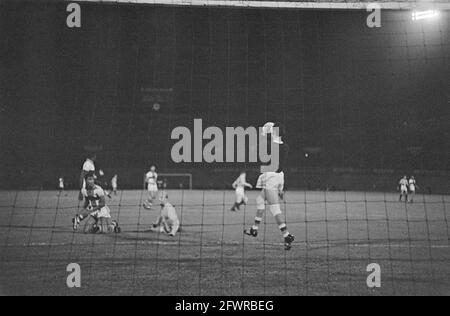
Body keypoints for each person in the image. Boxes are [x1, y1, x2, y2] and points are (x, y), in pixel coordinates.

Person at [244, 122, 295, 250]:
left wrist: (263, 132)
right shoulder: (286, 146)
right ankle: (254, 229)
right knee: (260, 200)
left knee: (275, 209)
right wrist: (281, 187)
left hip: (270, 177)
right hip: (278, 176)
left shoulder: (268, 145)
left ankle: (287, 235)